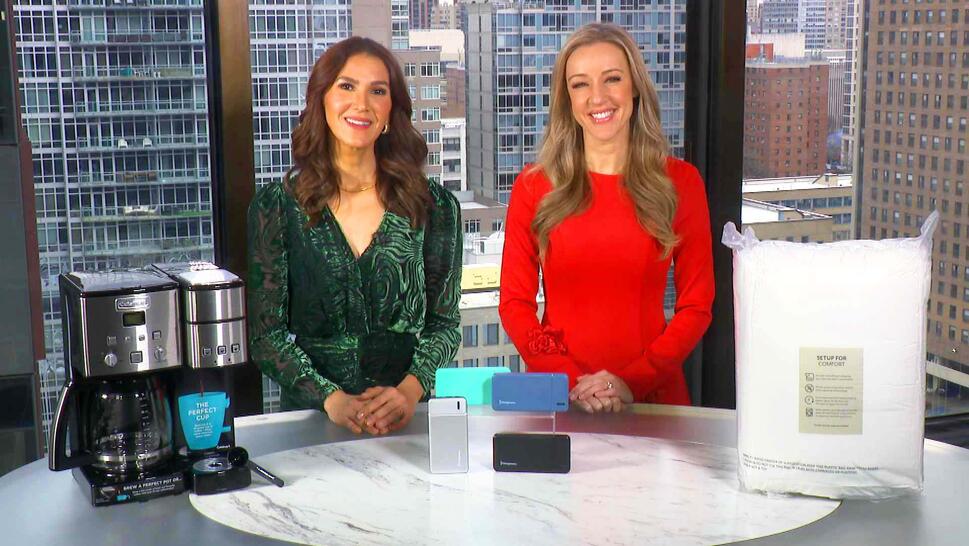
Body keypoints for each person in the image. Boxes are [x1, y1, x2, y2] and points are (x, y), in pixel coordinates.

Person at [248, 37, 462, 435]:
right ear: (322, 98)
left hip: (405, 422)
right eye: (347, 86)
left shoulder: (434, 207)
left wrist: (409, 392)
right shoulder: (277, 207)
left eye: (377, 91)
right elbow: (267, 336)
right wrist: (331, 399)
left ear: (390, 111)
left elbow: (444, 325)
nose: (361, 104)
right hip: (311, 421)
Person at [499, 23, 714, 413]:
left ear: (634, 86)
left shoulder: (681, 183)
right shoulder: (533, 187)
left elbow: (696, 305)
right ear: (567, 98)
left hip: (651, 399)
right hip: (557, 398)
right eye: (580, 84)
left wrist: (632, 382)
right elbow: (515, 304)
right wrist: (570, 381)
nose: (597, 97)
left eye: (612, 79)